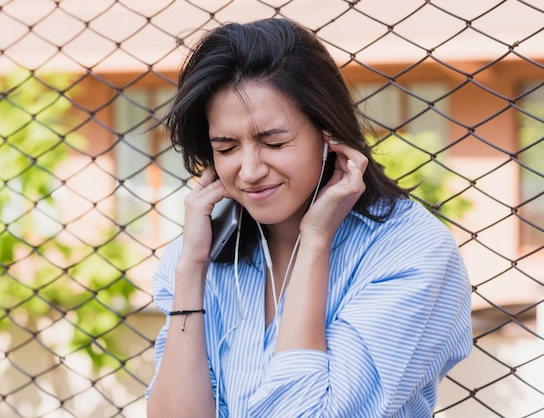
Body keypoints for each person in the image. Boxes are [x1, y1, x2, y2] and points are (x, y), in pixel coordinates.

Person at [145, 17, 472, 418]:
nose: (249, 171)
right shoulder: (206, 250)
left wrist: (315, 242)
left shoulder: (408, 252)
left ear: (328, 133)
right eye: (227, 148)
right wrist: (191, 269)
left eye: (274, 142)